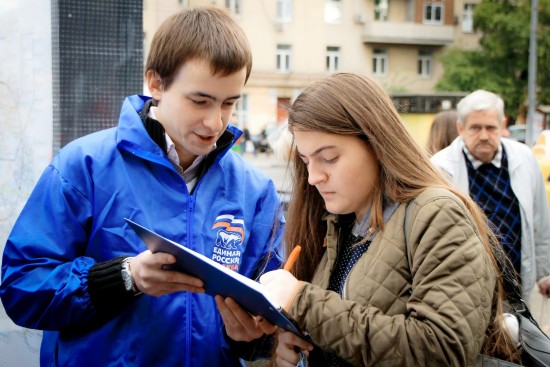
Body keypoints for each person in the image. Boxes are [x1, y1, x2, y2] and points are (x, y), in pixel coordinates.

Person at [0, 7, 284, 366]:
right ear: (155, 83)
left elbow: (268, 312)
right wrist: (125, 277)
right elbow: (21, 288)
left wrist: (253, 339)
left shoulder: (255, 190)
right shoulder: (82, 166)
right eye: (200, 101)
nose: (215, 122)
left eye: (229, 103)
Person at [236, 73, 518, 366]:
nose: (314, 177)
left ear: (376, 143)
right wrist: (290, 351)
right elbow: (337, 332)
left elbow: (442, 349)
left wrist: (303, 301)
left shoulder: (437, 214)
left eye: (329, 158)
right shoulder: (337, 221)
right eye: (306, 161)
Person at [431, 89, 550, 303]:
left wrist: (545, 272)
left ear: (503, 126)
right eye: (475, 128)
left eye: (491, 127)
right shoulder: (440, 168)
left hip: (517, 285)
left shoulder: (525, 158)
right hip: (465, 290)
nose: (484, 136)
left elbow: (540, 220)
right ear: (460, 128)